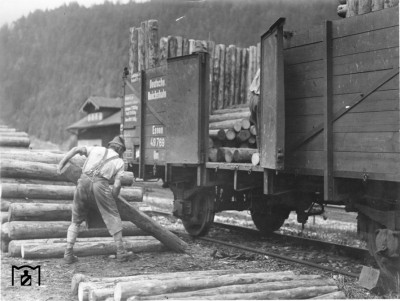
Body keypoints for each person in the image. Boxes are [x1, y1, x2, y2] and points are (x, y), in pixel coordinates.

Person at [57, 136, 132, 263]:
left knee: (75, 220)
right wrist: (112, 199)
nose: (121, 154)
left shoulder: (96, 149)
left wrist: (61, 163)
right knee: (113, 215)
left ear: (111, 145)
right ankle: (120, 252)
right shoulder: (119, 162)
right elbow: (117, 185)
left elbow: (75, 149)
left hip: (83, 181)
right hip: (100, 186)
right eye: (122, 151)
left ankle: (68, 253)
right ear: (119, 149)